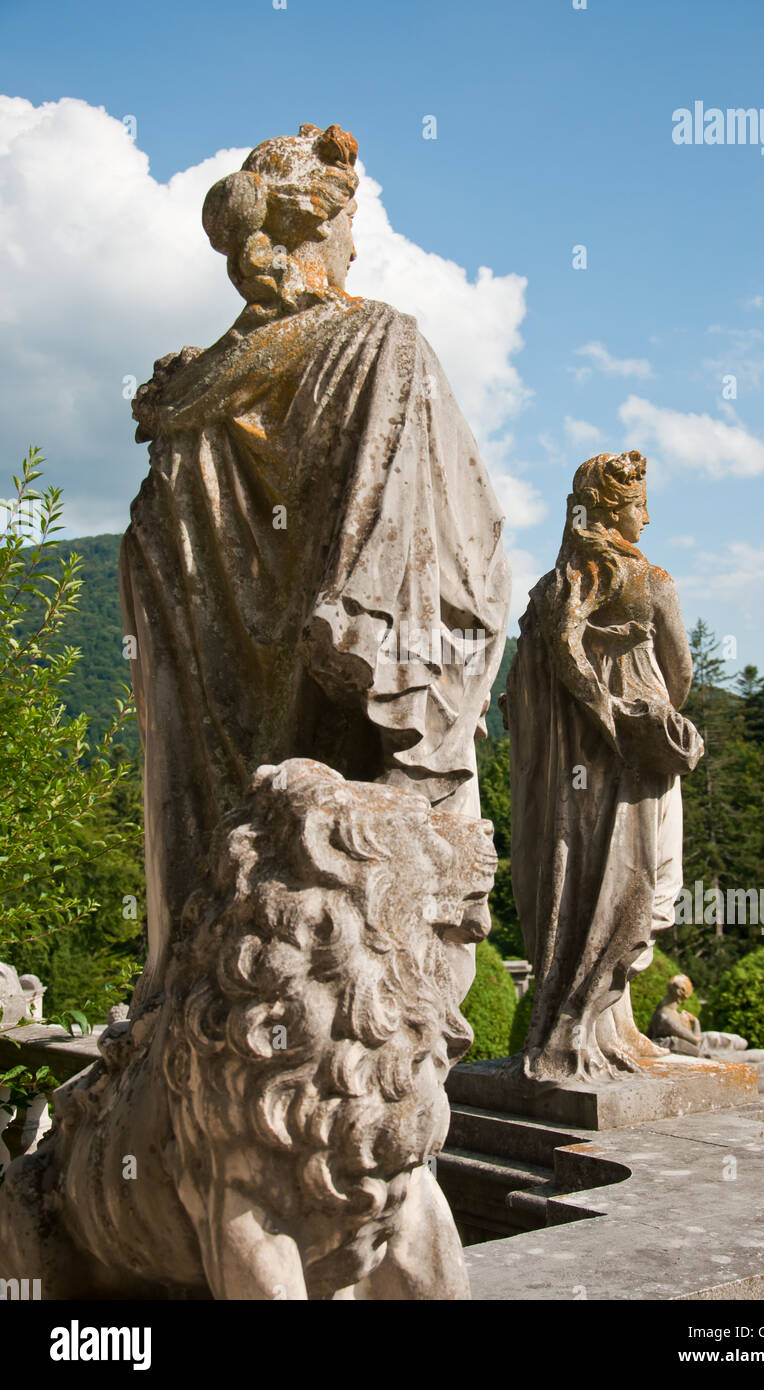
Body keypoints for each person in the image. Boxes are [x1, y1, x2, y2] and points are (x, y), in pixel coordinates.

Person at [120, 124, 510, 1003]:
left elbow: (154, 573)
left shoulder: (190, 397)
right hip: (342, 797)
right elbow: (431, 561)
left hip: (217, 807)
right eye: (350, 223)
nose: (358, 244)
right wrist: (441, 677)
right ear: (318, 229)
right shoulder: (381, 347)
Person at [505, 450, 703, 1082]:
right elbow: (683, 675)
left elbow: (524, 690)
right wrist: (636, 710)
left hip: (569, 776)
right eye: (640, 505)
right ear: (615, 512)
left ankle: (594, 1020)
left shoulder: (551, 591)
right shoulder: (652, 583)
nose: (647, 516)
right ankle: (593, 1024)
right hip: (634, 770)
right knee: (644, 884)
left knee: (577, 885)